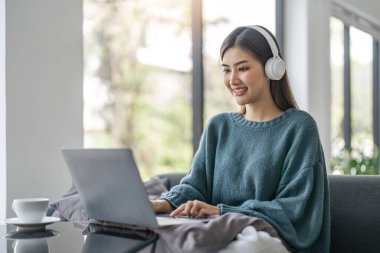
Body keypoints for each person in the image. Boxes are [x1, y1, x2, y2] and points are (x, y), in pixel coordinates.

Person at [151, 25, 330, 252]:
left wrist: (222, 211)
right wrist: (161, 204)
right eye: (226, 70)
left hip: (268, 239)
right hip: (219, 232)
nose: (232, 79)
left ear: (273, 69)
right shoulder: (219, 126)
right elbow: (196, 185)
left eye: (242, 68)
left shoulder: (300, 127)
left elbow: (295, 208)